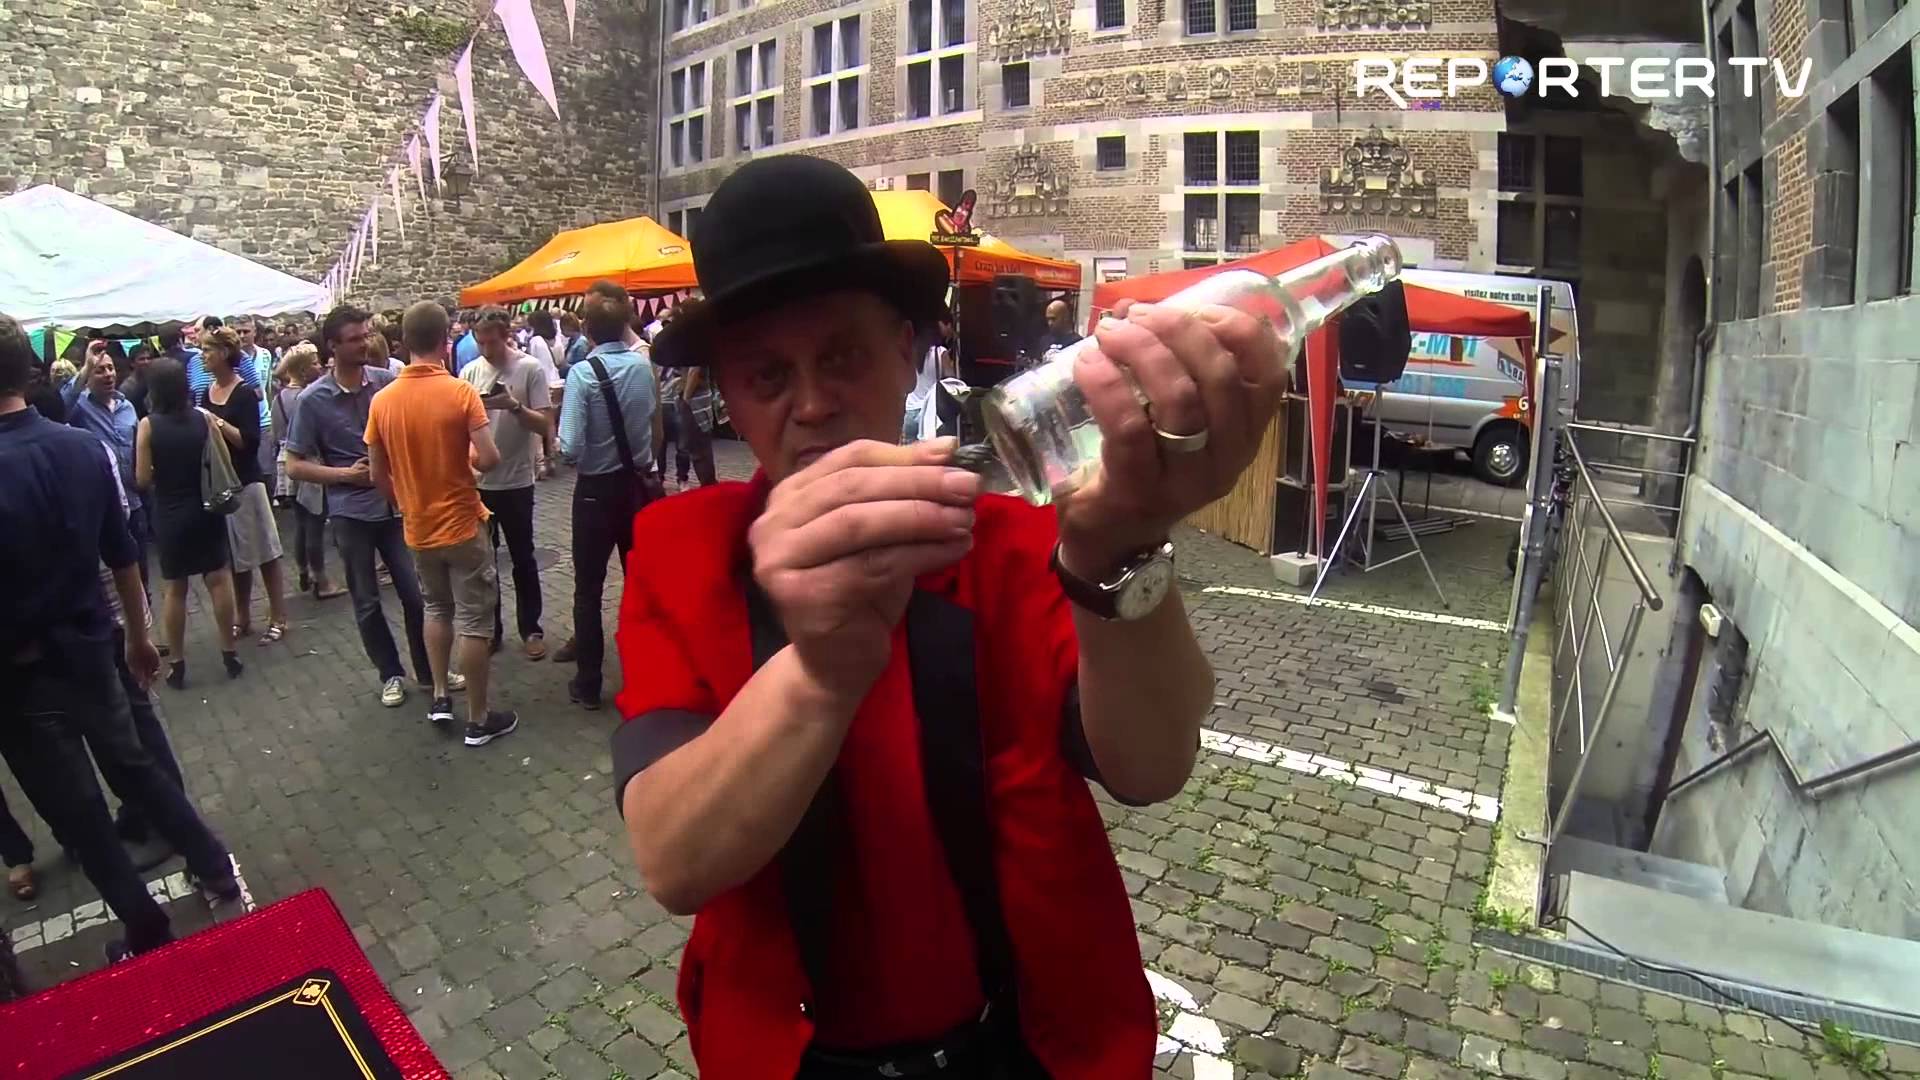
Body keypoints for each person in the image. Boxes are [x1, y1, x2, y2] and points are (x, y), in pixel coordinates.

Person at [608, 155, 1286, 1079]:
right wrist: (821, 674)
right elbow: (674, 860)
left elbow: (1151, 767)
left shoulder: (1015, 540)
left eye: (841, 356)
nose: (813, 404)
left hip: (1024, 1043)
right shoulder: (681, 551)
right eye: (766, 375)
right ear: (727, 394)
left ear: (905, 352)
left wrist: (1121, 548)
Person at [0, 315, 244, 961]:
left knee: (77, 806)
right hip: (91, 644)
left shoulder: (81, 447)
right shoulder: (83, 449)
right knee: (133, 765)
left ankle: (145, 923)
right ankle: (213, 864)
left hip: (21, 674)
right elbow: (124, 553)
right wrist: (138, 635)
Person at [366, 302, 516, 746]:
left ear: (404, 342)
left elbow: (377, 472)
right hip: (462, 523)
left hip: (418, 527)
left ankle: (438, 696)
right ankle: (478, 717)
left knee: (435, 609)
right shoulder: (459, 392)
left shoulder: (382, 400)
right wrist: (467, 461)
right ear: (445, 340)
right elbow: (489, 457)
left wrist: (404, 503)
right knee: (474, 619)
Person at [286, 306, 444, 708]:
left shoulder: (386, 382)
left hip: (394, 505)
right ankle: (390, 673)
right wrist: (344, 475)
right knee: (367, 600)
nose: (365, 344)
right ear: (333, 346)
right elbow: (294, 465)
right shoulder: (312, 400)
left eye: (366, 335)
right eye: (355, 338)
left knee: (414, 594)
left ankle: (429, 671)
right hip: (349, 511)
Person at [554, 284, 661, 709]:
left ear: (587, 330)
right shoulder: (643, 367)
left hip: (595, 492)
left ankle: (589, 682)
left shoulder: (582, 375)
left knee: (588, 590)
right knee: (639, 583)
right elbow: (652, 424)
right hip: (636, 486)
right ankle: (648, 672)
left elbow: (570, 447)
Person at [135, 358, 244, 688]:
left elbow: (142, 479)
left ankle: (178, 663)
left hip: (170, 513)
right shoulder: (203, 418)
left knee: (175, 589)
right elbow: (221, 457)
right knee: (218, 580)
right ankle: (229, 651)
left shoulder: (148, 425)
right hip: (206, 508)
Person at [460, 308, 551, 660]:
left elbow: (544, 424)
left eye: (492, 342)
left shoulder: (529, 368)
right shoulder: (469, 371)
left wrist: (513, 405)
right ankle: (491, 630)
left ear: (506, 336)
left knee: (523, 557)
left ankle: (531, 628)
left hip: (517, 480)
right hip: (480, 482)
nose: (486, 350)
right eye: (480, 342)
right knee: (484, 563)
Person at [199, 328, 290, 646]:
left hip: (248, 482)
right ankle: (243, 616)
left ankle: (278, 616)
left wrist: (217, 423)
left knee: (265, 553)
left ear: (224, 353)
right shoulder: (208, 392)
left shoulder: (244, 394)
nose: (202, 356)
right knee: (237, 556)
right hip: (224, 483)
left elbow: (249, 443)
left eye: (207, 350)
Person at [68, 346, 150, 593]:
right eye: (99, 370)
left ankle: (144, 608)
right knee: (112, 575)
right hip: (102, 504)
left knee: (141, 568)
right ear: (88, 377)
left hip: (133, 501)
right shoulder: (79, 407)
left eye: (110, 368)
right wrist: (86, 367)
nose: (107, 374)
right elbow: (59, 403)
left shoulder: (127, 407)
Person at [274, 344, 343, 599]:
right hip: (309, 462)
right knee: (314, 522)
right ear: (303, 369)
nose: (319, 366)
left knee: (301, 523)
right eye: (314, 363)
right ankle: (320, 579)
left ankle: (302, 569)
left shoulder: (279, 397)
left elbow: (276, 433)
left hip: (285, 462)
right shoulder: (308, 398)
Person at [901, 309, 956, 444]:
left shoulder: (910, 353)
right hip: (931, 414)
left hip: (910, 411)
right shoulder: (941, 353)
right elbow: (952, 381)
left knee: (909, 455)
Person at [524, 309, 565, 478]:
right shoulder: (557, 339)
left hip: (543, 384)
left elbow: (533, 364)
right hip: (557, 382)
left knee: (539, 427)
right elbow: (561, 361)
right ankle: (552, 458)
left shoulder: (536, 341)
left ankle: (541, 464)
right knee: (551, 424)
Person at [674, 362, 719, 485]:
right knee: (698, 448)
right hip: (697, 401)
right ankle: (709, 486)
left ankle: (709, 487)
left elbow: (694, 369)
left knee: (699, 450)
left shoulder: (693, 352)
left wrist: (685, 398)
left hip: (695, 403)